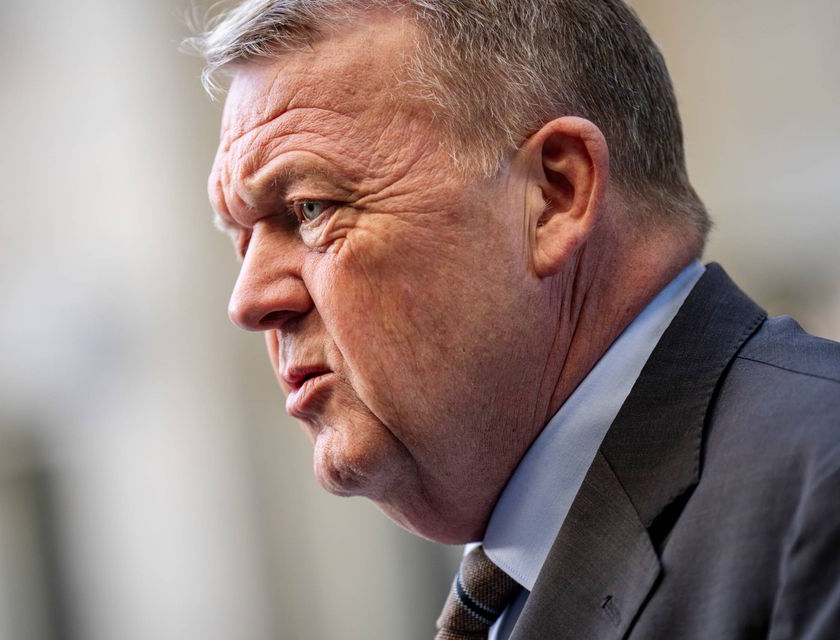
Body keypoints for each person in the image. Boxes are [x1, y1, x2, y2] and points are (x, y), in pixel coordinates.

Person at [186, 1, 840, 638]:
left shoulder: (817, 492)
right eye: (242, 239)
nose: (248, 301)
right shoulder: (516, 572)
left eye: (309, 209)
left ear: (553, 196)